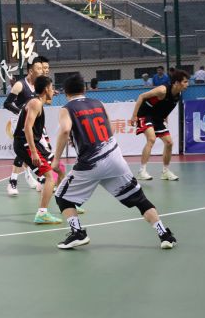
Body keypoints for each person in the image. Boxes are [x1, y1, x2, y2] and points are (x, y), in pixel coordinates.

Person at [51, 74, 177, 250]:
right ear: (84, 89)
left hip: (91, 164)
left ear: (66, 93)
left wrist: (56, 159)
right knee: (139, 199)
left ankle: (78, 233)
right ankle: (165, 235)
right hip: (115, 159)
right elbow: (109, 128)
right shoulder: (98, 103)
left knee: (62, 197)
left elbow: (65, 130)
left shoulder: (67, 108)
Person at [13, 76, 64, 224]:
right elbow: (27, 127)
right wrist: (34, 152)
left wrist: (50, 95)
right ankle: (42, 213)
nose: (53, 91)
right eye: (52, 88)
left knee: (59, 168)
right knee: (50, 176)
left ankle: (64, 203)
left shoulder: (37, 102)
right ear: (46, 89)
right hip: (25, 144)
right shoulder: (35, 103)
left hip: (33, 143)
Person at [130, 69, 190, 181]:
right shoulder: (162, 90)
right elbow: (141, 96)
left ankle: (165, 172)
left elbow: (166, 106)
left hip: (157, 118)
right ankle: (142, 171)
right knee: (151, 139)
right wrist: (134, 116)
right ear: (177, 83)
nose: (188, 84)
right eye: (185, 82)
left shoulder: (178, 94)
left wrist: (165, 116)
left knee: (169, 143)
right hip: (145, 114)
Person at [3, 56, 46, 195]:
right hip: (19, 121)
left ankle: (37, 178)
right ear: (30, 71)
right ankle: (13, 182)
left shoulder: (39, 85)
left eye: (42, 68)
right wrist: (21, 112)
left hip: (32, 121)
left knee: (38, 148)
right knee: (23, 150)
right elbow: (7, 103)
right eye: (38, 68)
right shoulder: (20, 85)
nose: (42, 71)